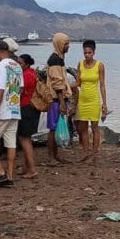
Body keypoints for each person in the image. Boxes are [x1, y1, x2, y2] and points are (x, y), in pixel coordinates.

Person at [0, 40, 23, 187]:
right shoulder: (17, 66)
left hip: (3, 111)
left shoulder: (2, 65)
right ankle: (10, 176)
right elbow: (20, 89)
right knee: (11, 143)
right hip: (15, 109)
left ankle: (0, 172)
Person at [73, 40, 107, 163]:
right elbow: (78, 82)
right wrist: (67, 86)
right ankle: (86, 152)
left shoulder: (99, 65)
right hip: (83, 99)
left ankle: (95, 153)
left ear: (94, 52)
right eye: (85, 52)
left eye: (89, 52)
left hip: (94, 99)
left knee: (94, 127)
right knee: (83, 127)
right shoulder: (80, 64)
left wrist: (105, 104)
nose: (87, 55)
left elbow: (102, 85)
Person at [45, 32, 72, 165]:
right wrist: (61, 102)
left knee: (56, 128)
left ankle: (55, 155)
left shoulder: (59, 59)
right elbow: (58, 83)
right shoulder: (55, 60)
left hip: (60, 100)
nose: (68, 46)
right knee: (53, 129)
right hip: (56, 100)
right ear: (60, 44)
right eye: (66, 43)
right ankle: (51, 157)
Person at [16, 54, 39, 179]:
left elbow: (18, 91)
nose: (18, 65)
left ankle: (32, 169)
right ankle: (27, 167)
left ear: (27, 64)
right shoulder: (32, 73)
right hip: (32, 108)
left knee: (24, 139)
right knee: (26, 139)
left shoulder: (26, 75)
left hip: (26, 108)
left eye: (20, 63)